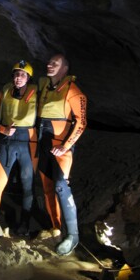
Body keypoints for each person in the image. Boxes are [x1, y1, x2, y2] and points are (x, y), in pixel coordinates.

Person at [36, 53, 87, 256]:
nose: (49, 65)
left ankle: (73, 235)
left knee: (60, 185)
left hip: (61, 147)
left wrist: (66, 146)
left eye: (55, 63)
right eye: (49, 62)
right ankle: (56, 228)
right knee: (48, 188)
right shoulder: (47, 89)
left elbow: (81, 123)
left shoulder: (73, 91)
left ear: (64, 68)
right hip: (44, 145)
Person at [0, 59, 39, 236]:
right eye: (16, 74)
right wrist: (3, 129)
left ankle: (25, 224)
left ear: (28, 78)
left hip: (29, 142)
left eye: (23, 75)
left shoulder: (36, 93)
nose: (19, 77)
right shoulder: (4, 91)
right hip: (7, 141)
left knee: (27, 185)